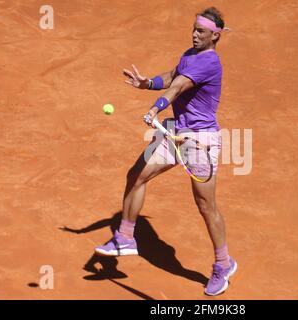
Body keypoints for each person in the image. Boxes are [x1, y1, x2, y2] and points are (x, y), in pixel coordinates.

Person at [95, 7, 236, 296]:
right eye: (194, 28)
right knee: (136, 175)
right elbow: (172, 76)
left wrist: (155, 107)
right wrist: (148, 83)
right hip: (175, 133)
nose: (194, 34)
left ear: (215, 35)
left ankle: (223, 263)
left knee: (206, 206)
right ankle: (125, 236)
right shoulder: (190, 54)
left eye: (201, 31)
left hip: (200, 141)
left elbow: (179, 87)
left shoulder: (210, 63)